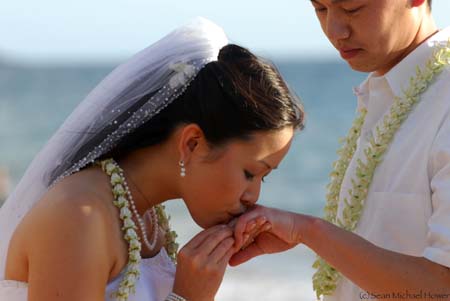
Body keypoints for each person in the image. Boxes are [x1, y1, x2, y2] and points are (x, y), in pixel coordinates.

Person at [0, 18, 304, 301]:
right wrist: (186, 297)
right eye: (250, 173)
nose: (253, 196)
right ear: (192, 143)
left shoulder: (144, 217)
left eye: (263, 178)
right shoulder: (79, 216)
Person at [230, 0, 450, 300]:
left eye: (353, 8)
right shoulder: (387, 89)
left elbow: (443, 288)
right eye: (320, 8)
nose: (335, 31)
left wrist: (306, 231)